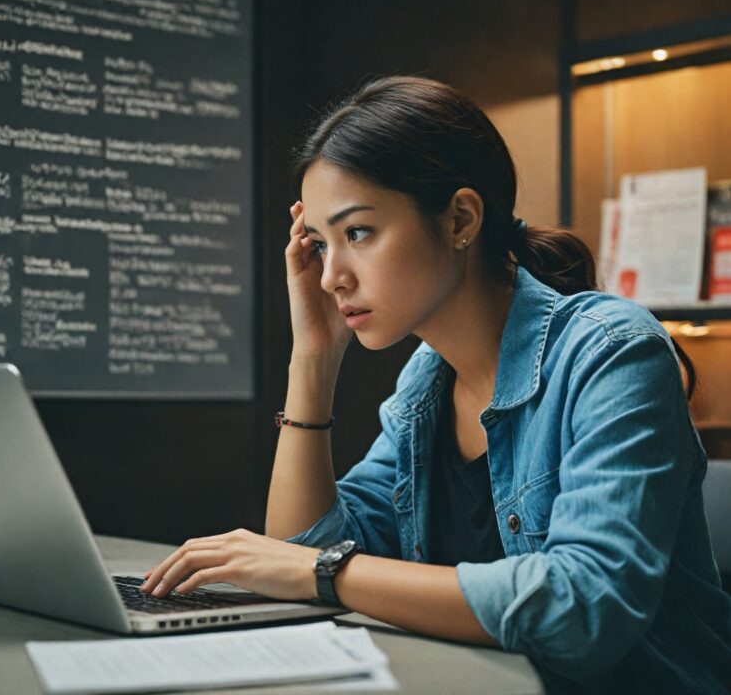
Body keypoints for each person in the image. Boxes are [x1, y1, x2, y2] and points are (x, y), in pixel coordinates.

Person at [141, 76, 731, 692]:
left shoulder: (612, 351)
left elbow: (581, 606)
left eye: (359, 233)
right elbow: (310, 544)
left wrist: (323, 572)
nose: (331, 276)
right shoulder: (425, 383)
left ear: (460, 220)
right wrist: (312, 360)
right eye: (320, 244)